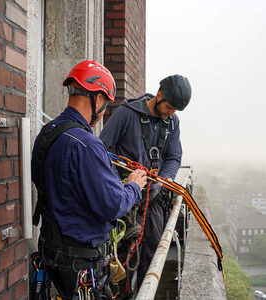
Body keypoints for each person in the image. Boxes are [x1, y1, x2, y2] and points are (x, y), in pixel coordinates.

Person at [31, 60, 147, 300]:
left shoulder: (48, 133)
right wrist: (134, 186)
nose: (103, 112)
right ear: (97, 98)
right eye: (105, 104)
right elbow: (113, 205)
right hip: (80, 262)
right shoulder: (88, 145)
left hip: (51, 251)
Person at [100, 74, 192, 298]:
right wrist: (121, 182)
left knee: (151, 257)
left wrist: (166, 178)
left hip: (153, 203)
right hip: (124, 203)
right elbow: (102, 151)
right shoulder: (126, 114)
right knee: (120, 261)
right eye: (169, 107)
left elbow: (173, 157)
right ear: (159, 95)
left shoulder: (172, 123)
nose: (171, 113)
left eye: (175, 110)